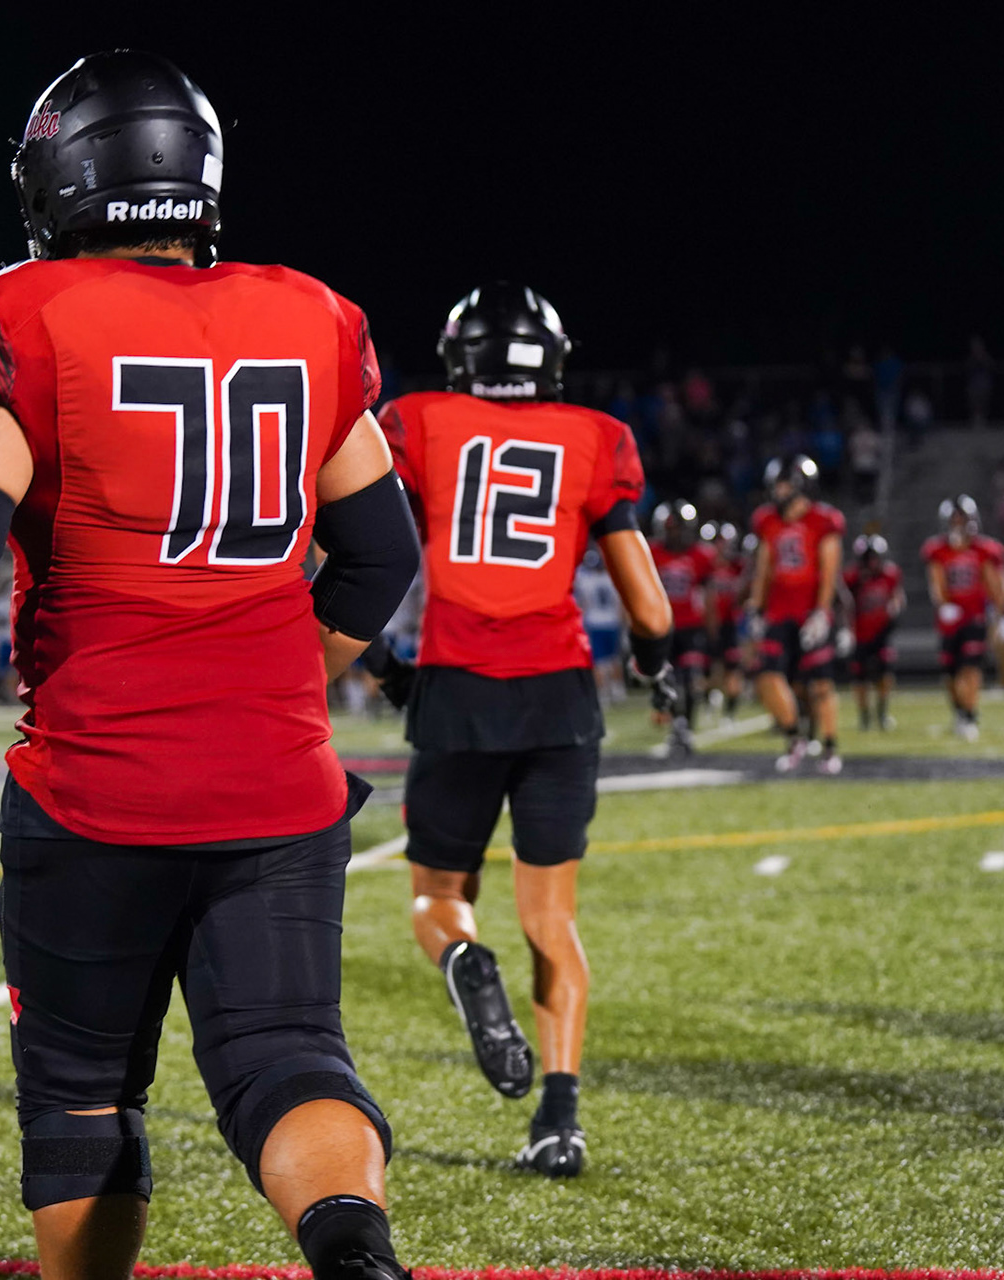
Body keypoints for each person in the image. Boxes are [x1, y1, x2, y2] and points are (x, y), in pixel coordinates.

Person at [0, 52, 419, 1280]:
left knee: (81, 1093)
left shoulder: (15, 318)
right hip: (280, 785)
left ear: (57, 181)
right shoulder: (312, 315)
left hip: (98, 789)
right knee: (289, 1056)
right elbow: (382, 554)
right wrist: (288, 675)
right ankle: (351, 1244)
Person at [367, 282, 676, 1178]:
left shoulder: (417, 421)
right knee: (552, 918)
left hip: (457, 691)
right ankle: (559, 1119)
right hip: (559, 702)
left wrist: (384, 665)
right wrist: (652, 666)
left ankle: (465, 958)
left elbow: (352, 552)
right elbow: (651, 610)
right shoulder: (596, 437)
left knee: (436, 898)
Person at [747, 454, 846, 774]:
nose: (778, 491)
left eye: (784, 484)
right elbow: (764, 568)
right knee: (767, 677)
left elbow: (829, 570)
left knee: (820, 684)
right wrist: (756, 607)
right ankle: (794, 738)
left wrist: (821, 612)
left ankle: (829, 748)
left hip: (809, 610)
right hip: (778, 610)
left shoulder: (824, 519)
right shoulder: (767, 520)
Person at [921, 494, 1004, 741]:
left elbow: (996, 584)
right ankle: (960, 712)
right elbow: (936, 581)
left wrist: (1002, 615)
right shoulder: (937, 550)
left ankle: (970, 715)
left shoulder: (984, 550)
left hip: (974, 617)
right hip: (950, 621)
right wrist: (943, 605)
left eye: (962, 519)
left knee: (970, 669)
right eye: (955, 519)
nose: (958, 525)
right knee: (950, 674)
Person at [648, 500, 715, 748]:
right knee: (668, 679)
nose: (675, 534)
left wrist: (712, 628)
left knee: (691, 677)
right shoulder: (652, 552)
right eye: (671, 528)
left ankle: (685, 725)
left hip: (691, 625)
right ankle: (677, 723)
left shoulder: (701, 555)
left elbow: (709, 596)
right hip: (663, 625)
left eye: (678, 528)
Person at [842, 535, 904, 731]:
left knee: (885, 673)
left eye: (875, 557)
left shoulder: (890, 574)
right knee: (859, 677)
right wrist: (845, 629)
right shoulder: (852, 577)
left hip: (881, 633)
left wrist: (894, 609)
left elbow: (897, 597)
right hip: (859, 634)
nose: (872, 562)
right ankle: (864, 716)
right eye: (868, 558)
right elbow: (843, 603)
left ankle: (882, 712)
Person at [705, 523, 748, 718]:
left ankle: (730, 712)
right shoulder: (706, 566)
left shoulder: (738, 567)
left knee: (733, 669)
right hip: (709, 624)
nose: (721, 547)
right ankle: (710, 700)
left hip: (732, 625)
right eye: (718, 542)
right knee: (711, 669)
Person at [576, 547, 627, 703]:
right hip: (612, 622)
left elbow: (583, 604)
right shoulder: (612, 578)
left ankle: (603, 692)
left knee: (598, 661)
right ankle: (617, 690)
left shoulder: (585, 580)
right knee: (614, 658)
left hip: (594, 622)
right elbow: (620, 605)